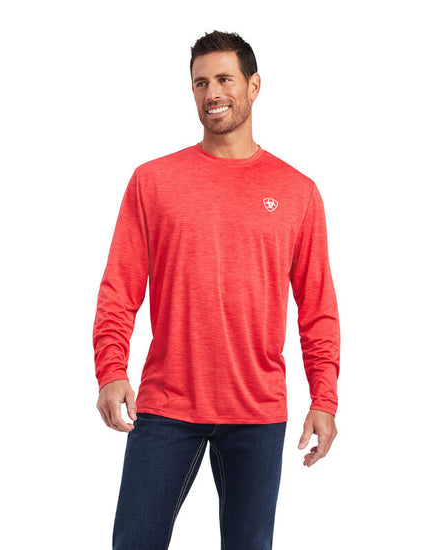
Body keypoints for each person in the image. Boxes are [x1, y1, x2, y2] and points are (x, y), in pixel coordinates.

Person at [92, 30, 340, 550]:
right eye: (200, 83)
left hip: (257, 410)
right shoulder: (153, 181)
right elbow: (119, 287)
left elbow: (317, 307)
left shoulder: (297, 192)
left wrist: (324, 398)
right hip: (166, 404)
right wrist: (112, 370)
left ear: (253, 86)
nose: (212, 93)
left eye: (225, 79)